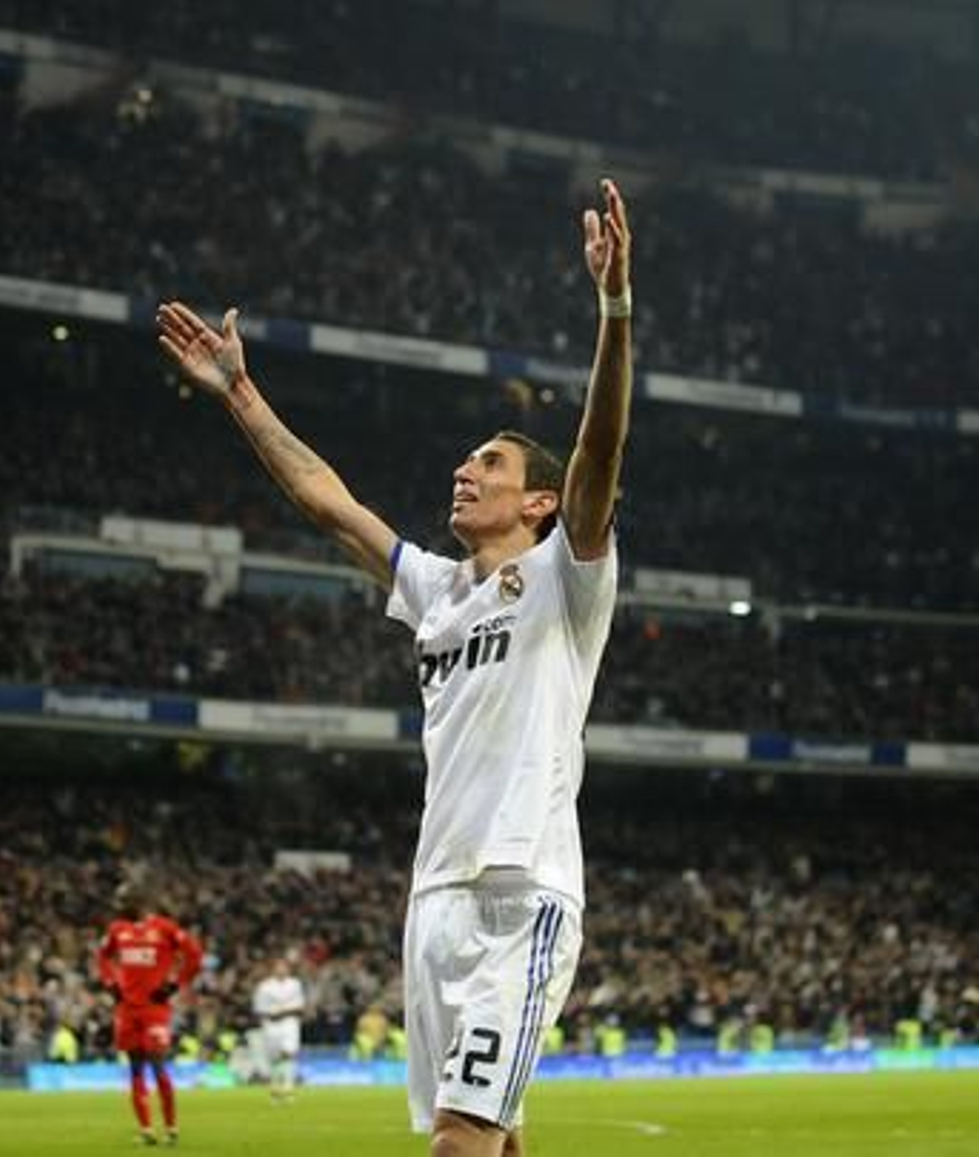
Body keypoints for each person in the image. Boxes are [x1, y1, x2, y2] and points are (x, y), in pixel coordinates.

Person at [158, 176, 633, 1157]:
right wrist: (241, 394)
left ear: (538, 503)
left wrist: (613, 306)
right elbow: (326, 501)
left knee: (459, 1141)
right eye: (465, 462)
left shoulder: (565, 577)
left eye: (489, 465)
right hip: (434, 896)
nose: (464, 472)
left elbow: (598, 446)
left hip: (520, 888)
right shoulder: (436, 587)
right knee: (493, 1139)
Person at [95, 881, 204, 1148]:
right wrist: (109, 982)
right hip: (127, 1010)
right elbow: (102, 956)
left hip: (154, 1010)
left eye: (124, 901)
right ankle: (146, 1130)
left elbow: (194, 955)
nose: (119, 907)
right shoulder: (117, 930)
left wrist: (175, 984)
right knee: (135, 1070)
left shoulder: (165, 928)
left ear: (140, 902)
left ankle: (171, 1128)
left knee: (158, 1066)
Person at [252, 956, 306, 1102]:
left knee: (289, 1053)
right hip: (271, 1024)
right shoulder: (264, 986)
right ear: (273, 969)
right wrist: (272, 1014)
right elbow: (258, 1009)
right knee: (274, 1058)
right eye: (278, 966)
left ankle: (289, 1088)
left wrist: (283, 1012)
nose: (282, 970)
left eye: (284, 967)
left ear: (288, 969)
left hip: (289, 1022)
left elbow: (300, 1006)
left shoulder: (295, 984)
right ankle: (275, 1087)